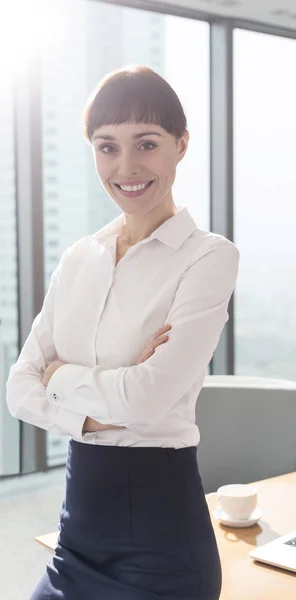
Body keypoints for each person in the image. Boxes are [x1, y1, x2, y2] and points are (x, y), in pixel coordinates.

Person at [6, 65, 240, 600]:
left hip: (162, 543)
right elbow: (19, 389)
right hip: (78, 533)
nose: (127, 166)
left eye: (147, 144)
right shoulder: (78, 259)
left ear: (181, 145)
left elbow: (149, 400)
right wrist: (109, 397)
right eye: (107, 147)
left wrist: (61, 375)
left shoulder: (208, 257)